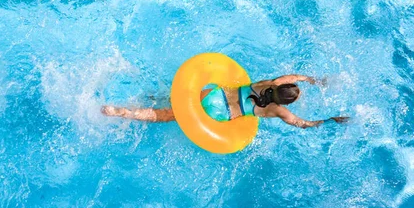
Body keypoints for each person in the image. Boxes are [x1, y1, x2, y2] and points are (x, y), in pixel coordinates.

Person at [101, 75, 349, 128]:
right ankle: (123, 114)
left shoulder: (268, 84)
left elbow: (293, 76)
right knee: (168, 116)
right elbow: (302, 123)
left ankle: (125, 107)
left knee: (172, 102)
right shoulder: (277, 111)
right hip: (220, 114)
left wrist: (312, 80)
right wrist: (327, 120)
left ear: (280, 87)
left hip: (214, 96)